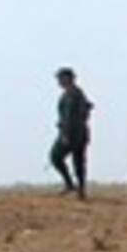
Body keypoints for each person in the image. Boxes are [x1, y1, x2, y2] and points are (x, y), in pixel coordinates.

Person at [49, 67, 92, 199]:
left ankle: (72, 185)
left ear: (68, 78)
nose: (59, 81)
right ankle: (79, 189)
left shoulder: (72, 95)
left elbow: (70, 117)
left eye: (61, 78)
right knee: (78, 161)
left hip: (73, 133)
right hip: (81, 132)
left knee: (56, 157)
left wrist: (66, 134)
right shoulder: (77, 93)